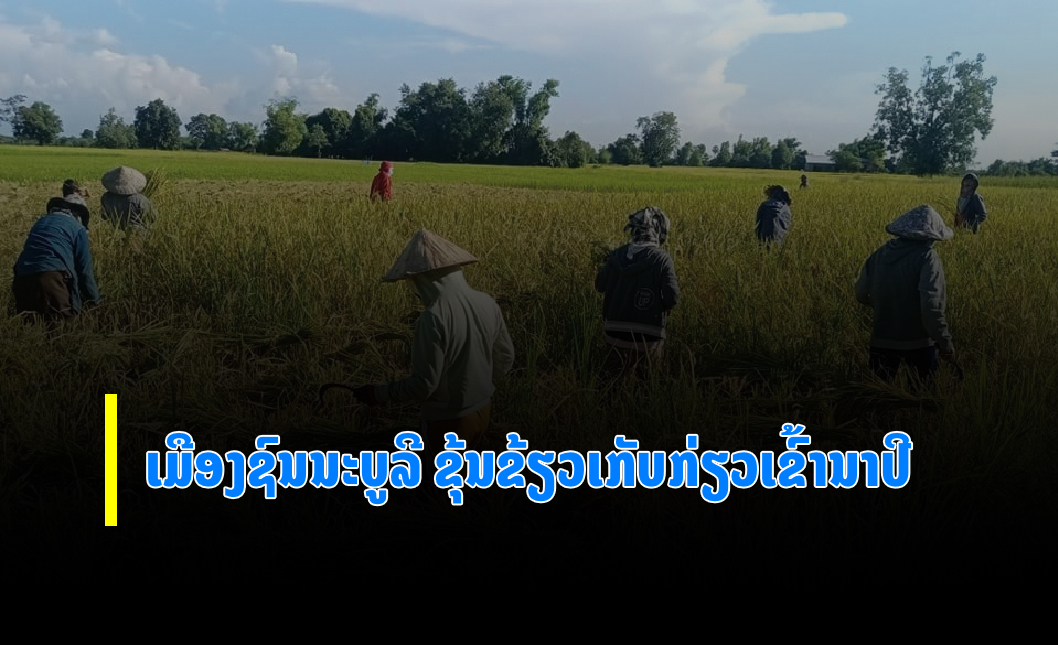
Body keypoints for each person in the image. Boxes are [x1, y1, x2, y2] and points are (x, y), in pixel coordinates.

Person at [351, 228, 515, 458]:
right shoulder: (487, 302)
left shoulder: (433, 317)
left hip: (449, 422)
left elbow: (424, 385)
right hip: (483, 412)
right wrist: (477, 385)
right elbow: (506, 358)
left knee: (439, 480)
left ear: (424, 280)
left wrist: (378, 394)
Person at [854, 204, 955, 384]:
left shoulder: (879, 255)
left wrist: (885, 305)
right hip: (919, 344)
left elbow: (860, 293)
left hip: (881, 340)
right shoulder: (928, 258)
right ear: (931, 237)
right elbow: (931, 309)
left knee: (879, 395)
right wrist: (945, 343)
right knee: (921, 395)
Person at [594, 206, 680, 377]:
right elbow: (672, 297)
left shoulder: (615, 255)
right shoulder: (662, 259)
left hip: (614, 332)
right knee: (647, 384)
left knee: (614, 383)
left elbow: (600, 285)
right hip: (649, 335)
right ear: (658, 230)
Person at [12, 194, 102, 324]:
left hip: (23, 276)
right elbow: (84, 270)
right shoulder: (77, 228)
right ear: (77, 214)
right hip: (51, 277)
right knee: (63, 327)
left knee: (30, 325)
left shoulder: (40, 223)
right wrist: (94, 300)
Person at [100, 166, 156, 230]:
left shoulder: (106, 197)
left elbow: (104, 216)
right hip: (136, 232)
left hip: (114, 230)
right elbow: (151, 218)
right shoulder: (140, 200)